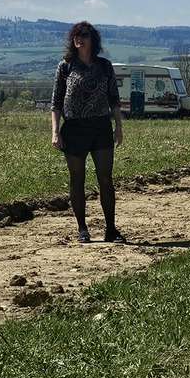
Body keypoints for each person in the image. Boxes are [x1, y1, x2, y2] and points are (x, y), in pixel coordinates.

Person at [49, 21, 126, 243]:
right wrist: (55, 132)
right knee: (77, 180)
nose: (79, 39)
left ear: (93, 40)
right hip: (74, 129)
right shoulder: (65, 67)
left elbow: (114, 99)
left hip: (101, 127)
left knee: (105, 179)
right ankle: (82, 229)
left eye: (84, 35)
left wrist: (118, 127)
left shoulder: (104, 66)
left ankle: (111, 229)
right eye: (76, 35)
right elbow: (56, 102)